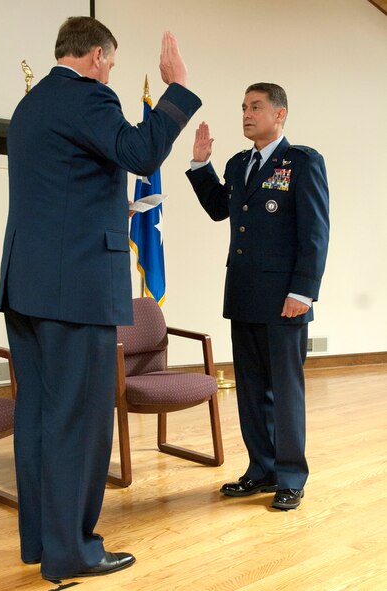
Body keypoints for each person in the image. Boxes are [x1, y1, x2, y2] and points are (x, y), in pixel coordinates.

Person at [0, 16, 201, 581]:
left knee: (40, 418)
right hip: (77, 291)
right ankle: (74, 551)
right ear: (93, 56)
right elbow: (138, 152)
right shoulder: (89, 97)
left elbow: (67, 189)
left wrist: (117, 211)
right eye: (109, 60)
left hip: (29, 288)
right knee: (81, 422)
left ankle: (42, 542)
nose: (109, 68)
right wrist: (177, 88)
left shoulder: (33, 106)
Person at [186, 83, 329, 510]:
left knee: (285, 391)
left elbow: (315, 232)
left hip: (285, 298)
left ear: (280, 113)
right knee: (250, 389)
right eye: (243, 107)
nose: (247, 114)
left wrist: (303, 291)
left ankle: (290, 477)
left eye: (256, 106)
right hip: (245, 294)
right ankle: (261, 470)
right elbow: (218, 208)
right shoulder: (238, 163)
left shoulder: (302, 162)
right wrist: (200, 163)